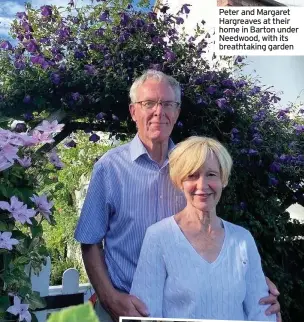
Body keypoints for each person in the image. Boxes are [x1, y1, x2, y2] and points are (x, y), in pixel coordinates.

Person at [74, 70, 281, 322]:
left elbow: (210, 238)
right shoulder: (110, 168)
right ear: (133, 111)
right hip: (123, 302)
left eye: (167, 104)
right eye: (148, 103)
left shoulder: (191, 165)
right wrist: (109, 297)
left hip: (177, 305)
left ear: (177, 112)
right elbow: (89, 240)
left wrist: (246, 276)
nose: (159, 112)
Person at [130, 136, 276, 321]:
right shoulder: (158, 237)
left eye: (211, 174)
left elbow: (262, 312)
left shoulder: (242, 239)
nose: (202, 185)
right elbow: (146, 314)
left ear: (223, 179)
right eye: (192, 175)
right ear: (179, 181)